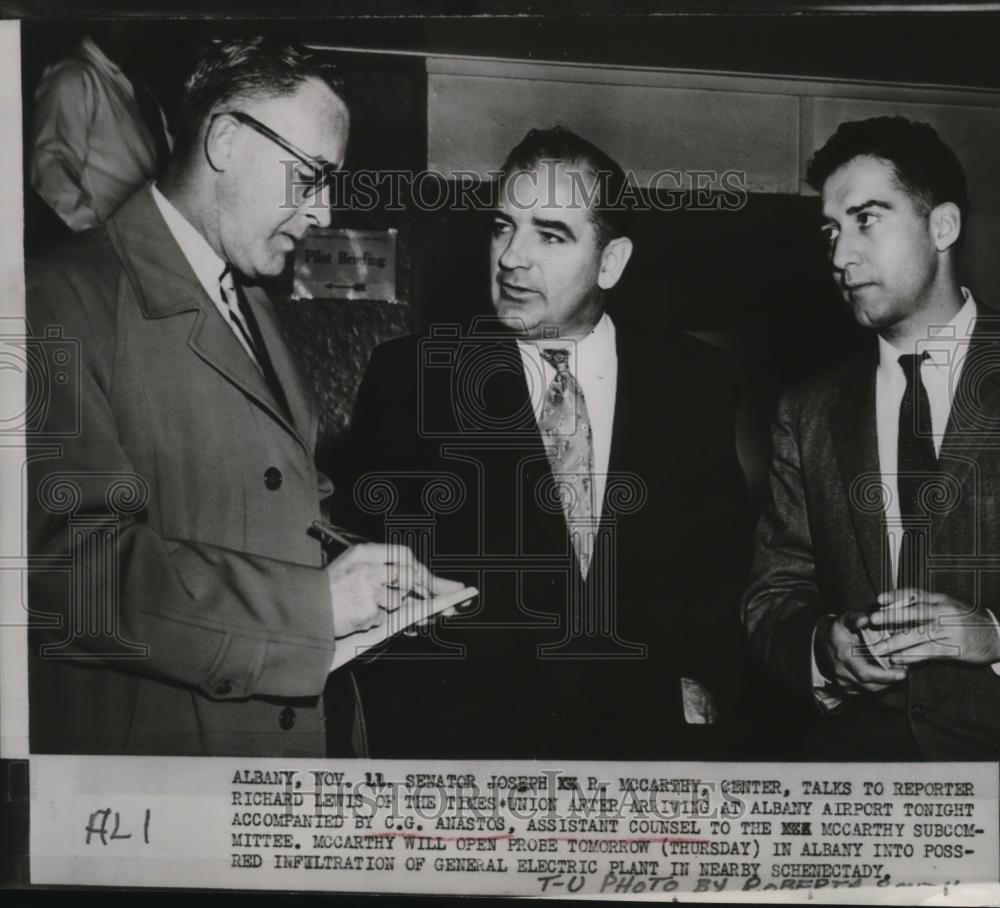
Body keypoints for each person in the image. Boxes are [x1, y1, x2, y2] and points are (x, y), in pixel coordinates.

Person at [26, 36, 462, 757]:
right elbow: (72, 570)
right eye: (312, 176)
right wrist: (312, 605)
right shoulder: (52, 299)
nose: (323, 213)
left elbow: (274, 510)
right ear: (225, 139)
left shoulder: (252, 304)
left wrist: (365, 575)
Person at [336, 127, 751, 760]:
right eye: (504, 226)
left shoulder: (694, 382)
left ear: (611, 261)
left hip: (647, 757)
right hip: (470, 763)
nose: (510, 258)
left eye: (550, 234)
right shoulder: (411, 378)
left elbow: (719, 567)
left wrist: (702, 685)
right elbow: (378, 593)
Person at [743, 116, 1000, 760]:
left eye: (866, 219)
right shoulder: (805, 412)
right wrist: (822, 650)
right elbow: (774, 595)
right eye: (831, 230)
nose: (838, 255)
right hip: (864, 793)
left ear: (942, 226)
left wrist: (994, 634)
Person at [30, 24, 172, 232]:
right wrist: (98, 245)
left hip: (145, 247)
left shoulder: (141, 91)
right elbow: (51, 174)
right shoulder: (73, 76)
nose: (134, 24)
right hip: (109, 253)